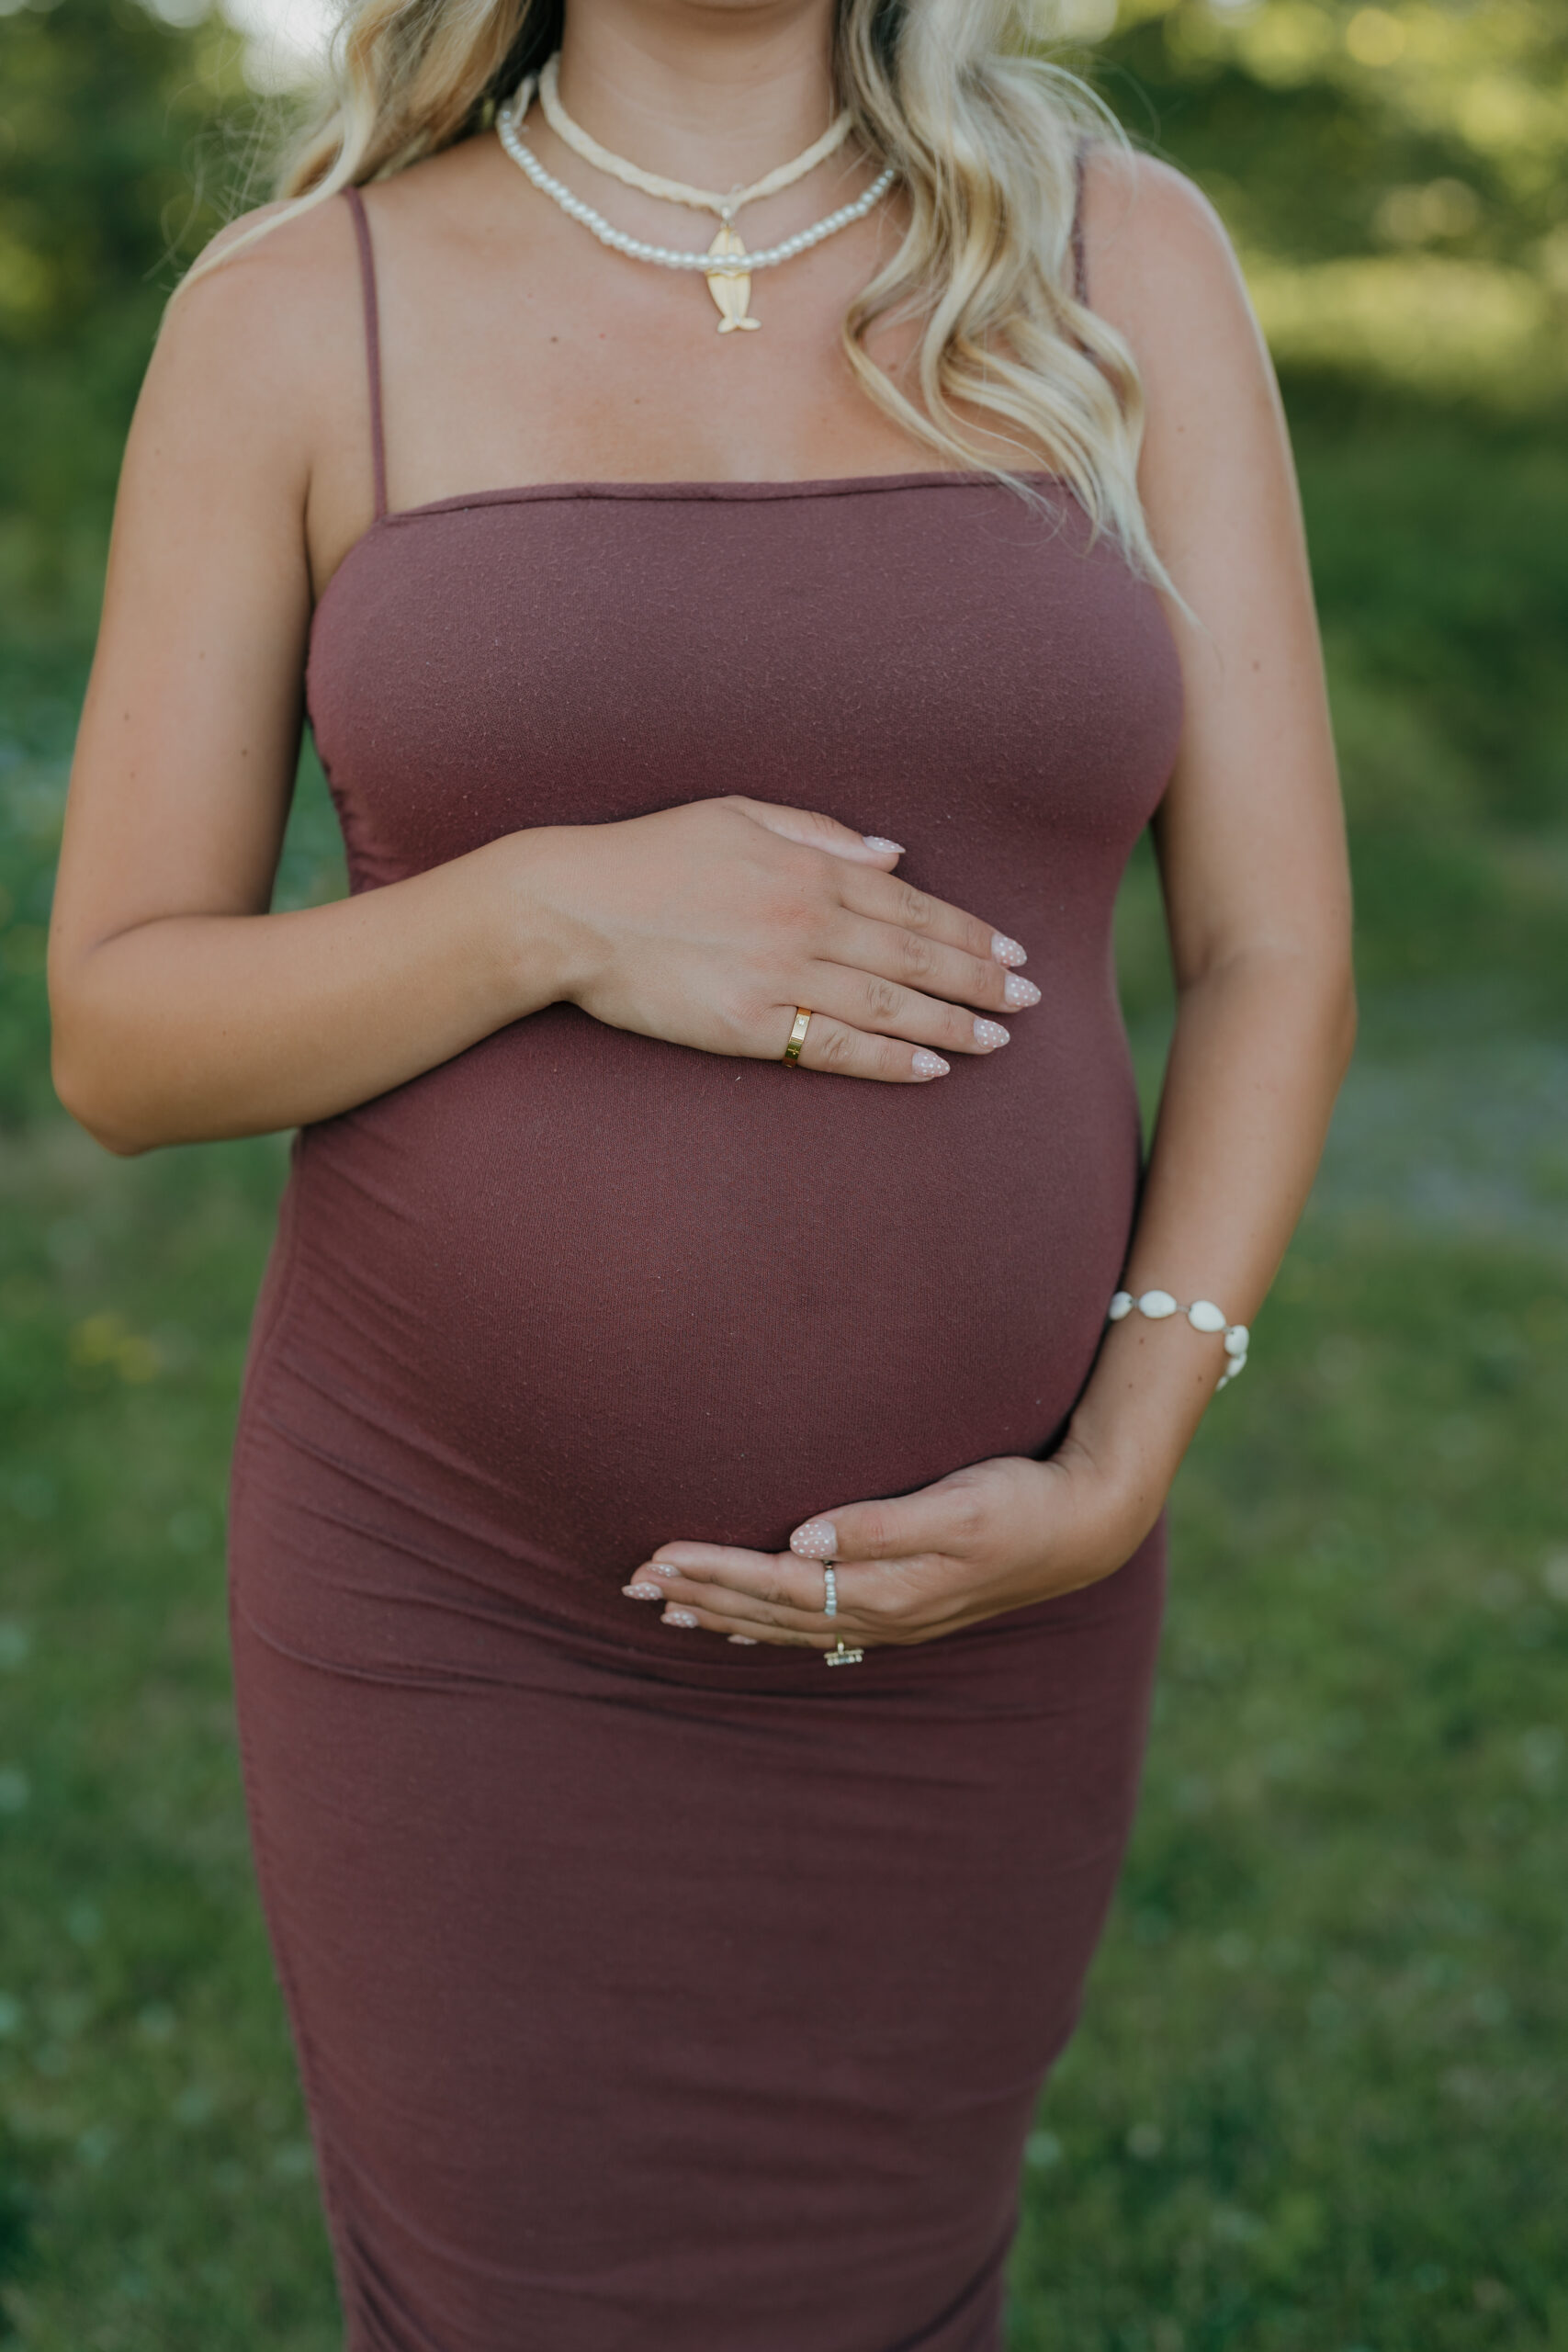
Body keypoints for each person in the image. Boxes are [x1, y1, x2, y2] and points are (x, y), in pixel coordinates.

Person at [46, 0, 1355, 2335]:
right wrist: (538, 906)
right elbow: (123, 1032)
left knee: (891, 2292)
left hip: (989, 1602)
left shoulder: (1118, 258)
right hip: (458, 1615)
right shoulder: (295, 308)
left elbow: (1269, 947)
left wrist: (1124, 1453)